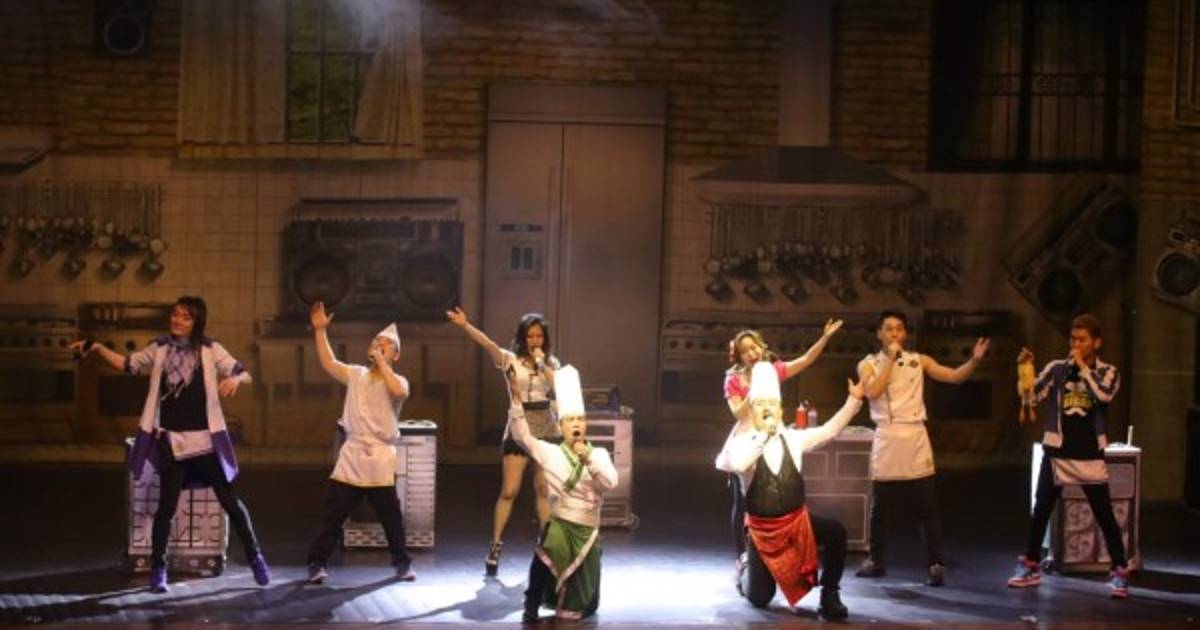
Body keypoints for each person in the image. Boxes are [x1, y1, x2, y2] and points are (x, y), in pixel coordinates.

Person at [71, 296, 269, 593]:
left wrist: (236, 380)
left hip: (205, 442)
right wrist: (97, 348)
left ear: (197, 322)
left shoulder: (210, 349)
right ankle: (158, 568)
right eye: (175, 314)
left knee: (231, 502)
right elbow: (128, 364)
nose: (178, 320)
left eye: (186, 317)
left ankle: (255, 558)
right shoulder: (160, 348)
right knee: (166, 508)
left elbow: (244, 372)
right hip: (173, 442)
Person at [854, 309, 989, 586]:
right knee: (880, 506)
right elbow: (873, 392)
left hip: (915, 435)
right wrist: (890, 359)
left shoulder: (919, 360)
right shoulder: (867, 364)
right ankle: (876, 560)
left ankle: (935, 563)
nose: (895, 333)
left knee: (927, 506)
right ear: (879, 334)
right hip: (888, 436)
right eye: (889, 328)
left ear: (905, 333)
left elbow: (954, 376)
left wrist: (974, 360)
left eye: (899, 328)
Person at [721, 362, 865, 619]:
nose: (767, 409)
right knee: (760, 597)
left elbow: (829, 431)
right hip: (763, 533)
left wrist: (853, 400)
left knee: (835, 531)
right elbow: (740, 464)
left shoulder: (793, 439)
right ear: (751, 409)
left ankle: (830, 595)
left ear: (780, 410)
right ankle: (744, 570)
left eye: (772, 404)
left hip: (795, 524)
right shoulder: (744, 442)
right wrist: (762, 436)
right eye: (760, 404)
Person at [1007, 313, 1130, 598]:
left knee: (1104, 514)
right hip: (1058, 451)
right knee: (1041, 509)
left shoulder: (1108, 371)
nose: (1075, 345)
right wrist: (1024, 372)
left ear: (1096, 342)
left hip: (1089, 453)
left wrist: (1084, 369)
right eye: (1073, 339)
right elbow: (1032, 398)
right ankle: (1031, 564)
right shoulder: (1057, 369)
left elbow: (1103, 395)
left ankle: (1119, 570)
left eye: (1082, 340)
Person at [304, 301, 415, 584]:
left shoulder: (399, 380)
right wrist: (320, 331)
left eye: (386, 344)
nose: (379, 345)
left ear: (396, 354)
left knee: (391, 517)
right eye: (377, 341)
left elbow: (397, 391)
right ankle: (317, 562)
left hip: (379, 457)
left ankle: (402, 563)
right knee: (334, 515)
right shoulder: (356, 374)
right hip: (353, 454)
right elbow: (329, 362)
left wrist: (382, 363)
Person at [446, 307, 558, 575]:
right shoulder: (510, 360)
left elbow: (557, 388)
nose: (534, 340)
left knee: (543, 489)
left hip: (545, 424)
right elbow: (487, 344)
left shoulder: (551, 363)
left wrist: (541, 362)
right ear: (522, 337)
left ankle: (546, 544)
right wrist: (465, 325)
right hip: (519, 423)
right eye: (530, 336)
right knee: (509, 490)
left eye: (539, 336)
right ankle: (495, 546)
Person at [720, 321, 843, 562]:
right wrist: (753, 391)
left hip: (772, 433)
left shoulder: (772, 370)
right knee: (742, 498)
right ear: (739, 356)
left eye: (754, 347)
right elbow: (737, 413)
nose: (751, 353)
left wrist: (825, 337)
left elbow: (806, 360)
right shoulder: (734, 378)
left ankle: (777, 546)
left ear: (761, 347)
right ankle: (742, 554)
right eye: (745, 351)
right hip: (747, 437)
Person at [510, 365, 618, 622]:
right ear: (561, 426)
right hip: (562, 520)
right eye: (570, 420)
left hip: (587, 527)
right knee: (547, 550)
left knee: (586, 605)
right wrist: (516, 400)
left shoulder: (599, 454)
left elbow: (610, 483)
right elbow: (523, 436)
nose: (576, 424)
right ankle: (531, 601)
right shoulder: (551, 453)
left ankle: (580, 602)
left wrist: (587, 458)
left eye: (580, 419)